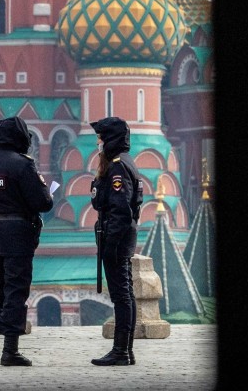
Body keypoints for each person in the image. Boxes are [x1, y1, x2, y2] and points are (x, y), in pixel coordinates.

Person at [0, 116, 54, 366]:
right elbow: (43, 202)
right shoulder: (22, 164)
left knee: (4, 284)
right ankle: (10, 349)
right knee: (17, 288)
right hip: (18, 231)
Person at [88, 116, 144, 366]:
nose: (98, 142)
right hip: (119, 234)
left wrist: (110, 245)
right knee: (125, 293)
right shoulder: (121, 164)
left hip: (117, 236)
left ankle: (121, 350)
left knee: (121, 295)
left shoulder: (118, 167)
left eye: (100, 138)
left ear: (110, 140)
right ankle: (125, 350)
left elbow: (121, 209)